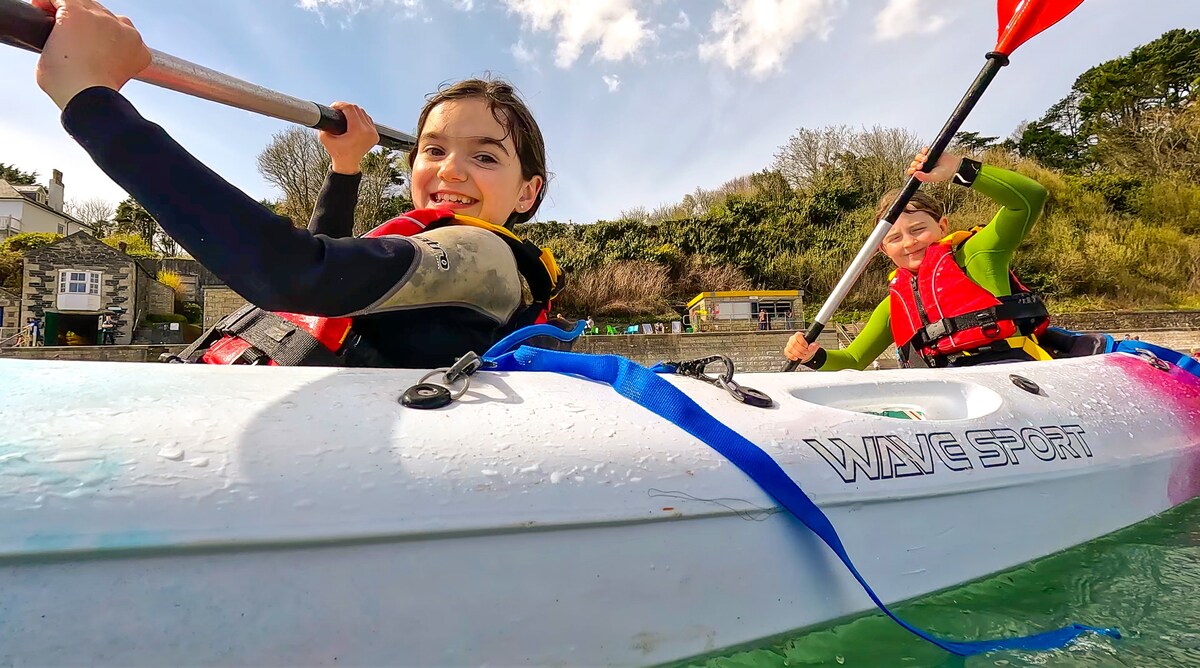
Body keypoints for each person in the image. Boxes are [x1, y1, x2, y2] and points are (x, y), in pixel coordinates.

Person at [32, 0, 563, 368]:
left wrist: (92, 102)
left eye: (486, 156)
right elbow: (325, 290)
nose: (450, 170)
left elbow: (298, 274)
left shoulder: (483, 256)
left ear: (527, 192)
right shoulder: (434, 255)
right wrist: (346, 167)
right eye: (434, 149)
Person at [785, 149, 1051, 370]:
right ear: (882, 250)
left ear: (943, 227)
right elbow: (853, 360)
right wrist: (812, 356)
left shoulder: (978, 254)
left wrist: (958, 168)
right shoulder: (892, 306)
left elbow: (1029, 199)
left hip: (1011, 377)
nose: (909, 243)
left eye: (918, 230)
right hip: (945, 397)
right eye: (895, 238)